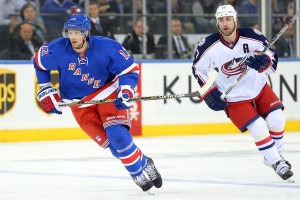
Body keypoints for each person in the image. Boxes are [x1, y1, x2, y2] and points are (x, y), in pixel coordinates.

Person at [33, 14, 162, 193]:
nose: (73, 37)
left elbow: (129, 70)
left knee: (118, 136)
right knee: (116, 150)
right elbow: (39, 63)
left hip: (106, 94)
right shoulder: (57, 49)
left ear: (86, 32)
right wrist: (46, 88)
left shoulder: (107, 47)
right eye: (70, 32)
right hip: (78, 104)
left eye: (77, 32)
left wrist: (125, 90)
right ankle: (145, 162)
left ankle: (136, 173)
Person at [192, 5, 294, 181]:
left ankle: (274, 155)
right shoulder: (208, 46)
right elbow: (197, 69)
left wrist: (265, 62)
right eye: (221, 20)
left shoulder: (253, 36)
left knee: (277, 119)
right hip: (234, 97)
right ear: (217, 24)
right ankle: (277, 162)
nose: (225, 23)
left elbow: (271, 56)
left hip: (259, 87)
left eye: (228, 19)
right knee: (259, 128)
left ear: (235, 20)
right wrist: (209, 90)